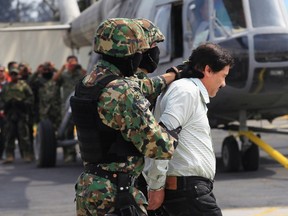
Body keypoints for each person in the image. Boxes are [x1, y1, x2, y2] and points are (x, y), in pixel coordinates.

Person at [70, 18, 199, 216]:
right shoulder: (123, 92)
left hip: (90, 189)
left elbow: (140, 86)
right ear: (129, 54)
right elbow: (159, 147)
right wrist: (175, 127)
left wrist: (172, 75)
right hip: (117, 194)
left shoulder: (90, 82)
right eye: (139, 52)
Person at [144, 42, 234, 216]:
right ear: (208, 70)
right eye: (223, 76)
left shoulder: (188, 91)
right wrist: (156, 186)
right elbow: (162, 137)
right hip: (187, 194)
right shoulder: (186, 91)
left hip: (188, 192)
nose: (223, 83)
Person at [53, 55, 86, 163]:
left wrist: (79, 67)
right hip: (67, 105)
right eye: (70, 62)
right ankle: (69, 154)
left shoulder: (80, 74)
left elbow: (88, 77)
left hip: (80, 104)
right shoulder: (64, 75)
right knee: (68, 129)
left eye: (74, 62)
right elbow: (55, 79)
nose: (72, 64)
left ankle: (86, 153)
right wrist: (63, 68)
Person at [1, 67, 34, 164]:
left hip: (21, 112)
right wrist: (5, 105)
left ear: (18, 75)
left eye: (15, 74)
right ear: (10, 75)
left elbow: (31, 97)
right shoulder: (6, 87)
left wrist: (23, 104)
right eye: (12, 74)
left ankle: (27, 154)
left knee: (23, 135)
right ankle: (9, 155)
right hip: (10, 113)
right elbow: (1, 99)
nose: (14, 76)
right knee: (9, 135)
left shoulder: (23, 85)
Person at [29, 62, 61, 130]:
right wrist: (36, 72)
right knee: (45, 130)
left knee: (58, 128)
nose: (46, 71)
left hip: (55, 109)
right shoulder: (38, 81)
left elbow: (63, 75)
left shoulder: (56, 80)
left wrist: (54, 68)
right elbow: (29, 82)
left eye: (48, 70)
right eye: (44, 70)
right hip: (44, 111)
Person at [0, 64, 8, 160]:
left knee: (4, 135)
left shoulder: (8, 85)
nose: (0, 73)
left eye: (2, 71)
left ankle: (3, 154)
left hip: (5, 114)